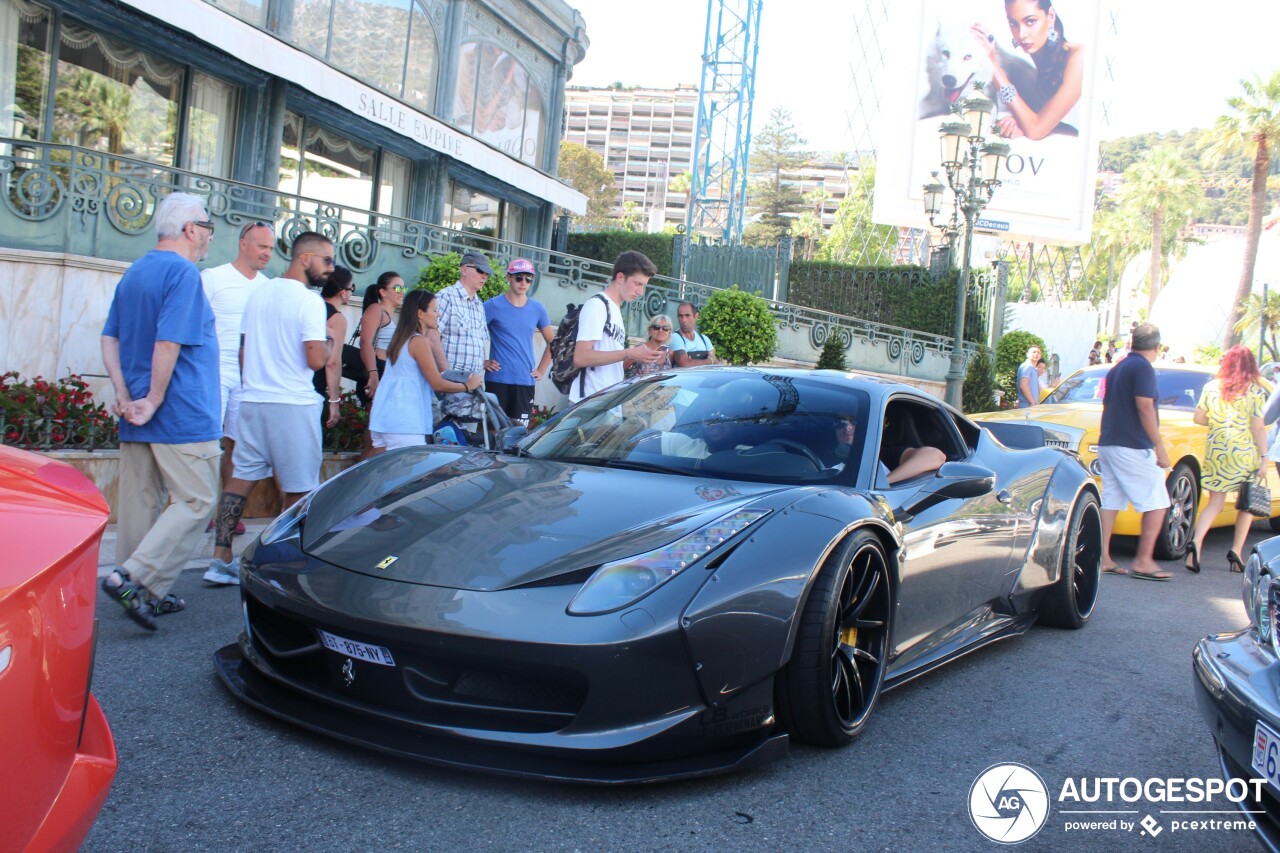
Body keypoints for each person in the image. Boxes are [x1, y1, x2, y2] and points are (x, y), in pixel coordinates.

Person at [99, 192, 221, 630]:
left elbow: (109, 337)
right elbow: (168, 341)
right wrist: (152, 398)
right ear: (191, 230)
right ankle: (135, 579)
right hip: (180, 410)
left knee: (141, 503)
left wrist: (123, 391)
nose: (209, 235)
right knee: (199, 499)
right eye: (207, 227)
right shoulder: (183, 273)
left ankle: (143, 588)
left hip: (135, 410)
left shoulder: (136, 272)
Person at [206, 232, 333, 584]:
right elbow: (314, 360)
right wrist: (332, 341)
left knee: (241, 478)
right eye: (327, 261)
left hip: (252, 399)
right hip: (291, 404)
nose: (330, 269)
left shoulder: (259, 292)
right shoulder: (310, 302)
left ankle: (220, 558)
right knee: (299, 488)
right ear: (305, 258)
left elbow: (244, 351)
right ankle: (284, 565)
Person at [201, 220, 274, 535]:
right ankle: (198, 510)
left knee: (237, 447)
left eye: (271, 248)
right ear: (243, 244)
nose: (267, 253)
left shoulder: (268, 287)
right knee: (205, 443)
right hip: (213, 371)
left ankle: (225, 514)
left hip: (249, 378)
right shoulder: (213, 278)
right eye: (262, 246)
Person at [1097, 323, 1172, 581]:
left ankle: (1103, 557)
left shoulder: (1117, 368)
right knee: (1158, 500)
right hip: (1132, 444)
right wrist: (1159, 445)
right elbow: (1145, 406)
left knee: (1112, 500)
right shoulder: (1143, 368)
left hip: (1109, 441)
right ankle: (1143, 560)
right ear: (1157, 347)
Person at [368, 289, 483, 454]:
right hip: (404, 422)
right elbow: (436, 383)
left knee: (380, 473)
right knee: (409, 474)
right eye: (435, 310)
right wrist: (468, 385)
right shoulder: (418, 341)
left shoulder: (400, 338)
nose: (438, 314)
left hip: (383, 417)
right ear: (420, 313)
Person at [1186, 346, 1268, 574]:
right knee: (1247, 503)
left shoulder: (1211, 388)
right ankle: (1235, 552)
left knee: (1215, 503)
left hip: (1217, 451)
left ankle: (1196, 542)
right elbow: (1258, 427)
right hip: (1244, 453)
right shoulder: (1254, 391)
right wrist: (1264, 457)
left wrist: (1218, 421)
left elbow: (1199, 417)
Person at [972, 0, 1085, 140]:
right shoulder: (1025, 63)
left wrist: (993, 66)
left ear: (1050, 17)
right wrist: (1018, 123)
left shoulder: (1079, 57)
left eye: (1030, 21)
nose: (1021, 34)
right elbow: (1037, 119)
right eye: (1013, 23)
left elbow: (1036, 129)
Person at [570, 251, 664, 403]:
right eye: (637, 284)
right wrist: (629, 353)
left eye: (644, 286)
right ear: (620, 277)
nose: (640, 292)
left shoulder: (615, 310)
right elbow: (581, 357)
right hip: (590, 400)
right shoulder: (597, 305)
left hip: (606, 400)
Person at [483, 258, 553, 424]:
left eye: (528, 278)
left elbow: (553, 342)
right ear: (508, 277)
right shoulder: (492, 305)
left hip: (524, 380)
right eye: (519, 277)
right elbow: (471, 333)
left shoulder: (538, 309)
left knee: (519, 432)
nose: (524, 282)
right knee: (494, 430)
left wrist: (541, 370)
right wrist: (482, 361)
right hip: (497, 379)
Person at [438, 252, 494, 430]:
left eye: (486, 273)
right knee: (441, 440)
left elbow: (477, 343)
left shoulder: (479, 304)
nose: (484, 276)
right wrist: (445, 374)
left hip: (472, 389)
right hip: (448, 388)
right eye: (479, 271)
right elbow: (429, 338)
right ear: (464, 270)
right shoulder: (445, 297)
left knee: (465, 445)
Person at [355, 271, 405, 406]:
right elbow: (365, 342)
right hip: (378, 369)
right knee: (375, 422)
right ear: (383, 292)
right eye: (398, 288)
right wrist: (373, 374)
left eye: (403, 288)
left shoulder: (393, 316)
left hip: (388, 372)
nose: (402, 292)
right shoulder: (376, 310)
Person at [313, 266, 354, 426]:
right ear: (342, 292)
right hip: (313, 386)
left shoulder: (311, 307)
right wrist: (334, 401)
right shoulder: (337, 319)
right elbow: (333, 362)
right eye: (352, 288)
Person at [625, 314, 674, 379]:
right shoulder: (640, 348)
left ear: (669, 332)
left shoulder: (670, 353)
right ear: (650, 330)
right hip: (640, 388)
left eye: (665, 328)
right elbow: (623, 367)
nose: (660, 330)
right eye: (656, 327)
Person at [670, 302, 718, 367]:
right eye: (680, 316)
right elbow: (685, 364)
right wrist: (709, 361)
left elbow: (716, 363)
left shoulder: (704, 339)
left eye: (687, 316)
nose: (684, 320)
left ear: (696, 316)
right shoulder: (675, 338)